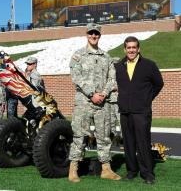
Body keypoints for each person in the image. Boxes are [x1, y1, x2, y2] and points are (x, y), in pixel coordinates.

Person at [68, 23, 121, 183]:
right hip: (84, 102)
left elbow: (112, 79)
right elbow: (76, 78)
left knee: (104, 136)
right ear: (86, 34)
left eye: (96, 33)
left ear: (99, 35)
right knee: (79, 135)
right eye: (91, 33)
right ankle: (73, 168)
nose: (93, 36)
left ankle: (106, 169)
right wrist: (92, 94)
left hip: (102, 103)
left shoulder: (106, 57)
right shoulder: (78, 55)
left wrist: (103, 94)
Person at [115, 36, 164, 185]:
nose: (131, 50)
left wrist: (147, 98)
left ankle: (147, 173)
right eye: (128, 47)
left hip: (142, 111)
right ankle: (131, 171)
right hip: (125, 111)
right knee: (128, 143)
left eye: (134, 47)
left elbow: (159, 84)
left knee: (143, 142)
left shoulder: (149, 65)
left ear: (138, 49)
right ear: (125, 49)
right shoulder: (118, 66)